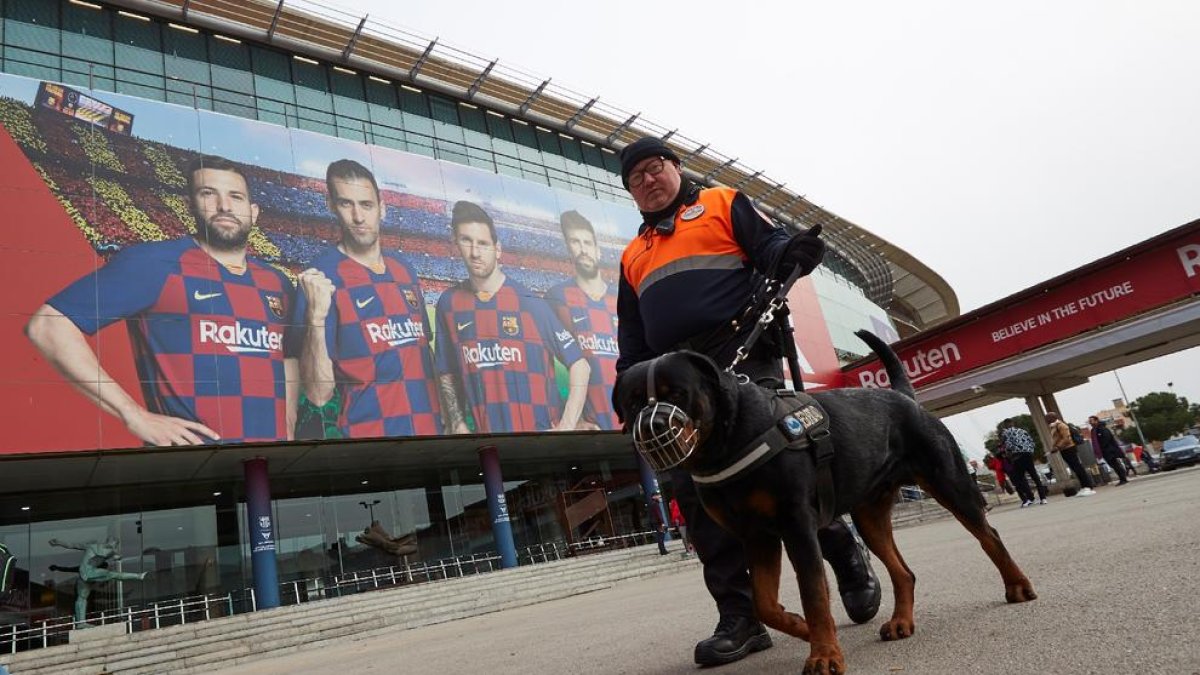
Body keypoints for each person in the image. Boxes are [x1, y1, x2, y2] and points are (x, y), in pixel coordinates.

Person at [614, 136, 880, 666]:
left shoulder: (720, 203)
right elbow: (634, 336)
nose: (647, 180)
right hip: (680, 385)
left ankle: (846, 556)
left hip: (743, 361)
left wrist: (793, 252)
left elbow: (772, 249)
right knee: (695, 494)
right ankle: (741, 617)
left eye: (654, 167)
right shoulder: (632, 255)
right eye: (634, 177)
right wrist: (628, 385)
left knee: (785, 476)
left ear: (675, 167)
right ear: (630, 192)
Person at [26, 155, 298, 445]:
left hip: (267, 461)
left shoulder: (276, 281)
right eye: (209, 194)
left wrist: (289, 423)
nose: (225, 206)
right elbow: (48, 326)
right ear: (189, 204)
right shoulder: (154, 262)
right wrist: (132, 414)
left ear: (253, 211)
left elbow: (289, 356)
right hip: (191, 465)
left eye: (236, 197)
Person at [290, 159, 441, 439]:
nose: (359, 217)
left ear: (382, 208)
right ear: (331, 206)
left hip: (432, 433)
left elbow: (425, 354)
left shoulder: (404, 269)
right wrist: (315, 318)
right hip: (370, 438)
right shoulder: (321, 276)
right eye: (347, 204)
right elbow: (318, 392)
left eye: (367, 205)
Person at [434, 201, 591, 433]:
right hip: (489, 443)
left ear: (498, 249)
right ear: (456, 243)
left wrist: (567, 425)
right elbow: (446, 371)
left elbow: (580, 364)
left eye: (483, 243)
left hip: (539, 443)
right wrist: (457, 423)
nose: (475, 252)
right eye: (466, 241)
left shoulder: (529, 303)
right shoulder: (449, 304)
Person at [545, 210, 620, 431]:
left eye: (587, 242)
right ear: (568, 250)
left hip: (632, 418)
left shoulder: (621, 298)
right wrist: (571, 419)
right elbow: (546, 367)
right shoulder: (557, 297)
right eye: (575, 242)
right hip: (593, 428)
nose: (583, 249)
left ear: (598, 251)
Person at [48, 538, 147, 626]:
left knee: (82, 597)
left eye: (115, 545)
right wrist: (59, 542)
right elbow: (72, 545)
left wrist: (116, 554)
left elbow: (118, 557)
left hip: (84, 575)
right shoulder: (96, 548)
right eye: (115, 544)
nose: (114, 546)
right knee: (112, 575)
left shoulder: (106, 550)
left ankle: (80, 623)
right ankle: (138, 576)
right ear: (110, 542)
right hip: (88, 572)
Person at [1045, 413, 1096, 496]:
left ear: (1053, 418)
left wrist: (1057, 447)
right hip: (1064, 449)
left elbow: (1066, 438)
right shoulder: (1054, 427)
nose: (1046, 420)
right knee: (1075, 468)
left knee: (1078, 467)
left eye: (1047, 418)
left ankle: (1088, 487)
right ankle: (1084, 487)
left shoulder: (1061, 425)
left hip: (1069, 449)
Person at [1000, 419, 1047, 506]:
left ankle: (1029, 499)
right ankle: (1043, 498)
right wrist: (1029, 451)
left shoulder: (1006, 433)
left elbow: (1008, 445)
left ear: (1005, 425)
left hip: (1017, 456)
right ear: (1013, 423)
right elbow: (1032, 442)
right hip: (1028, 455)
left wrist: (1008, 454)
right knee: (1035, 477)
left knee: (1020, 479)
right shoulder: (1023, 431)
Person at [1088, 416, 1129, 485]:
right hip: (1104, 451)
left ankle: (1123, 479)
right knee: (1113, 465)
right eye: (1089, 421)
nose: (1090, 422)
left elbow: (1106, 439)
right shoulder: (1094, 430)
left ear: (1096, 420)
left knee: (1115, 465)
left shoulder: (1102, 428)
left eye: (1091, 420)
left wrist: (1102, 448)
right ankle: (1122, 478)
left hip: (1109, 450)